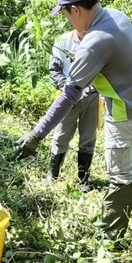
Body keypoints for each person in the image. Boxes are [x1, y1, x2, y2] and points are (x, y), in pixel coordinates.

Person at [15, 0, 132, 243]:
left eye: (66, 15)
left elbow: (69, 94)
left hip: (124, 112)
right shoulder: (117, 16)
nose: (68, 22)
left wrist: (36, 135)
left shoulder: (94, 42)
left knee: (120, 175)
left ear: (75, 10)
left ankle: (111, 241)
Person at [45, 29, 99, 192]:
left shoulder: (98, 40)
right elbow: (54, 70)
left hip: (93, 95)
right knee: (61, 136)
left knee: (88, 139)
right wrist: (67, 88)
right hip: (68, 96)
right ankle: (52, 175)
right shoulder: (62, 41)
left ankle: (83, 179)